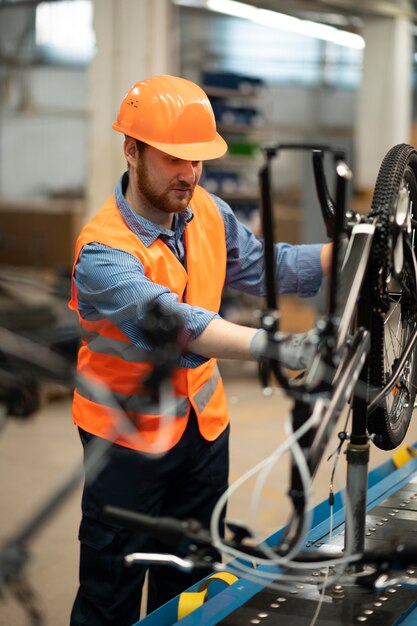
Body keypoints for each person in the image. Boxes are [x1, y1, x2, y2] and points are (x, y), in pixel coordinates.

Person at [69, 75, 332, 626]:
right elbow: (179, 326)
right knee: (110, 594)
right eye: (172, 159)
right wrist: (275, 346)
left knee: (192, 588)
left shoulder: (206, 211)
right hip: (124, 446)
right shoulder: (102, 251)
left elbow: (268, 267)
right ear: (132, 151)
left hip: (204, 433)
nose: (189, 174)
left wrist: (352, 249)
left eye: (198, 160)